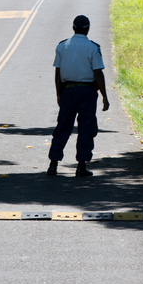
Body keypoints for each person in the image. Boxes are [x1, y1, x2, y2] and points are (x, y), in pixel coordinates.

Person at [47, 15, 110, 177]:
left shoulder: (62, 46)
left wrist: (58, 94)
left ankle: (53, 164)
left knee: (62, 127)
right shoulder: (93, 47)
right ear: (88, 29)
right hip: (87, 92)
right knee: (86, 128)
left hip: (68, 91)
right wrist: (104, 96)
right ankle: (81, 165)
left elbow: (58, 72)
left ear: (73, 28)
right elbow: (98, 73)